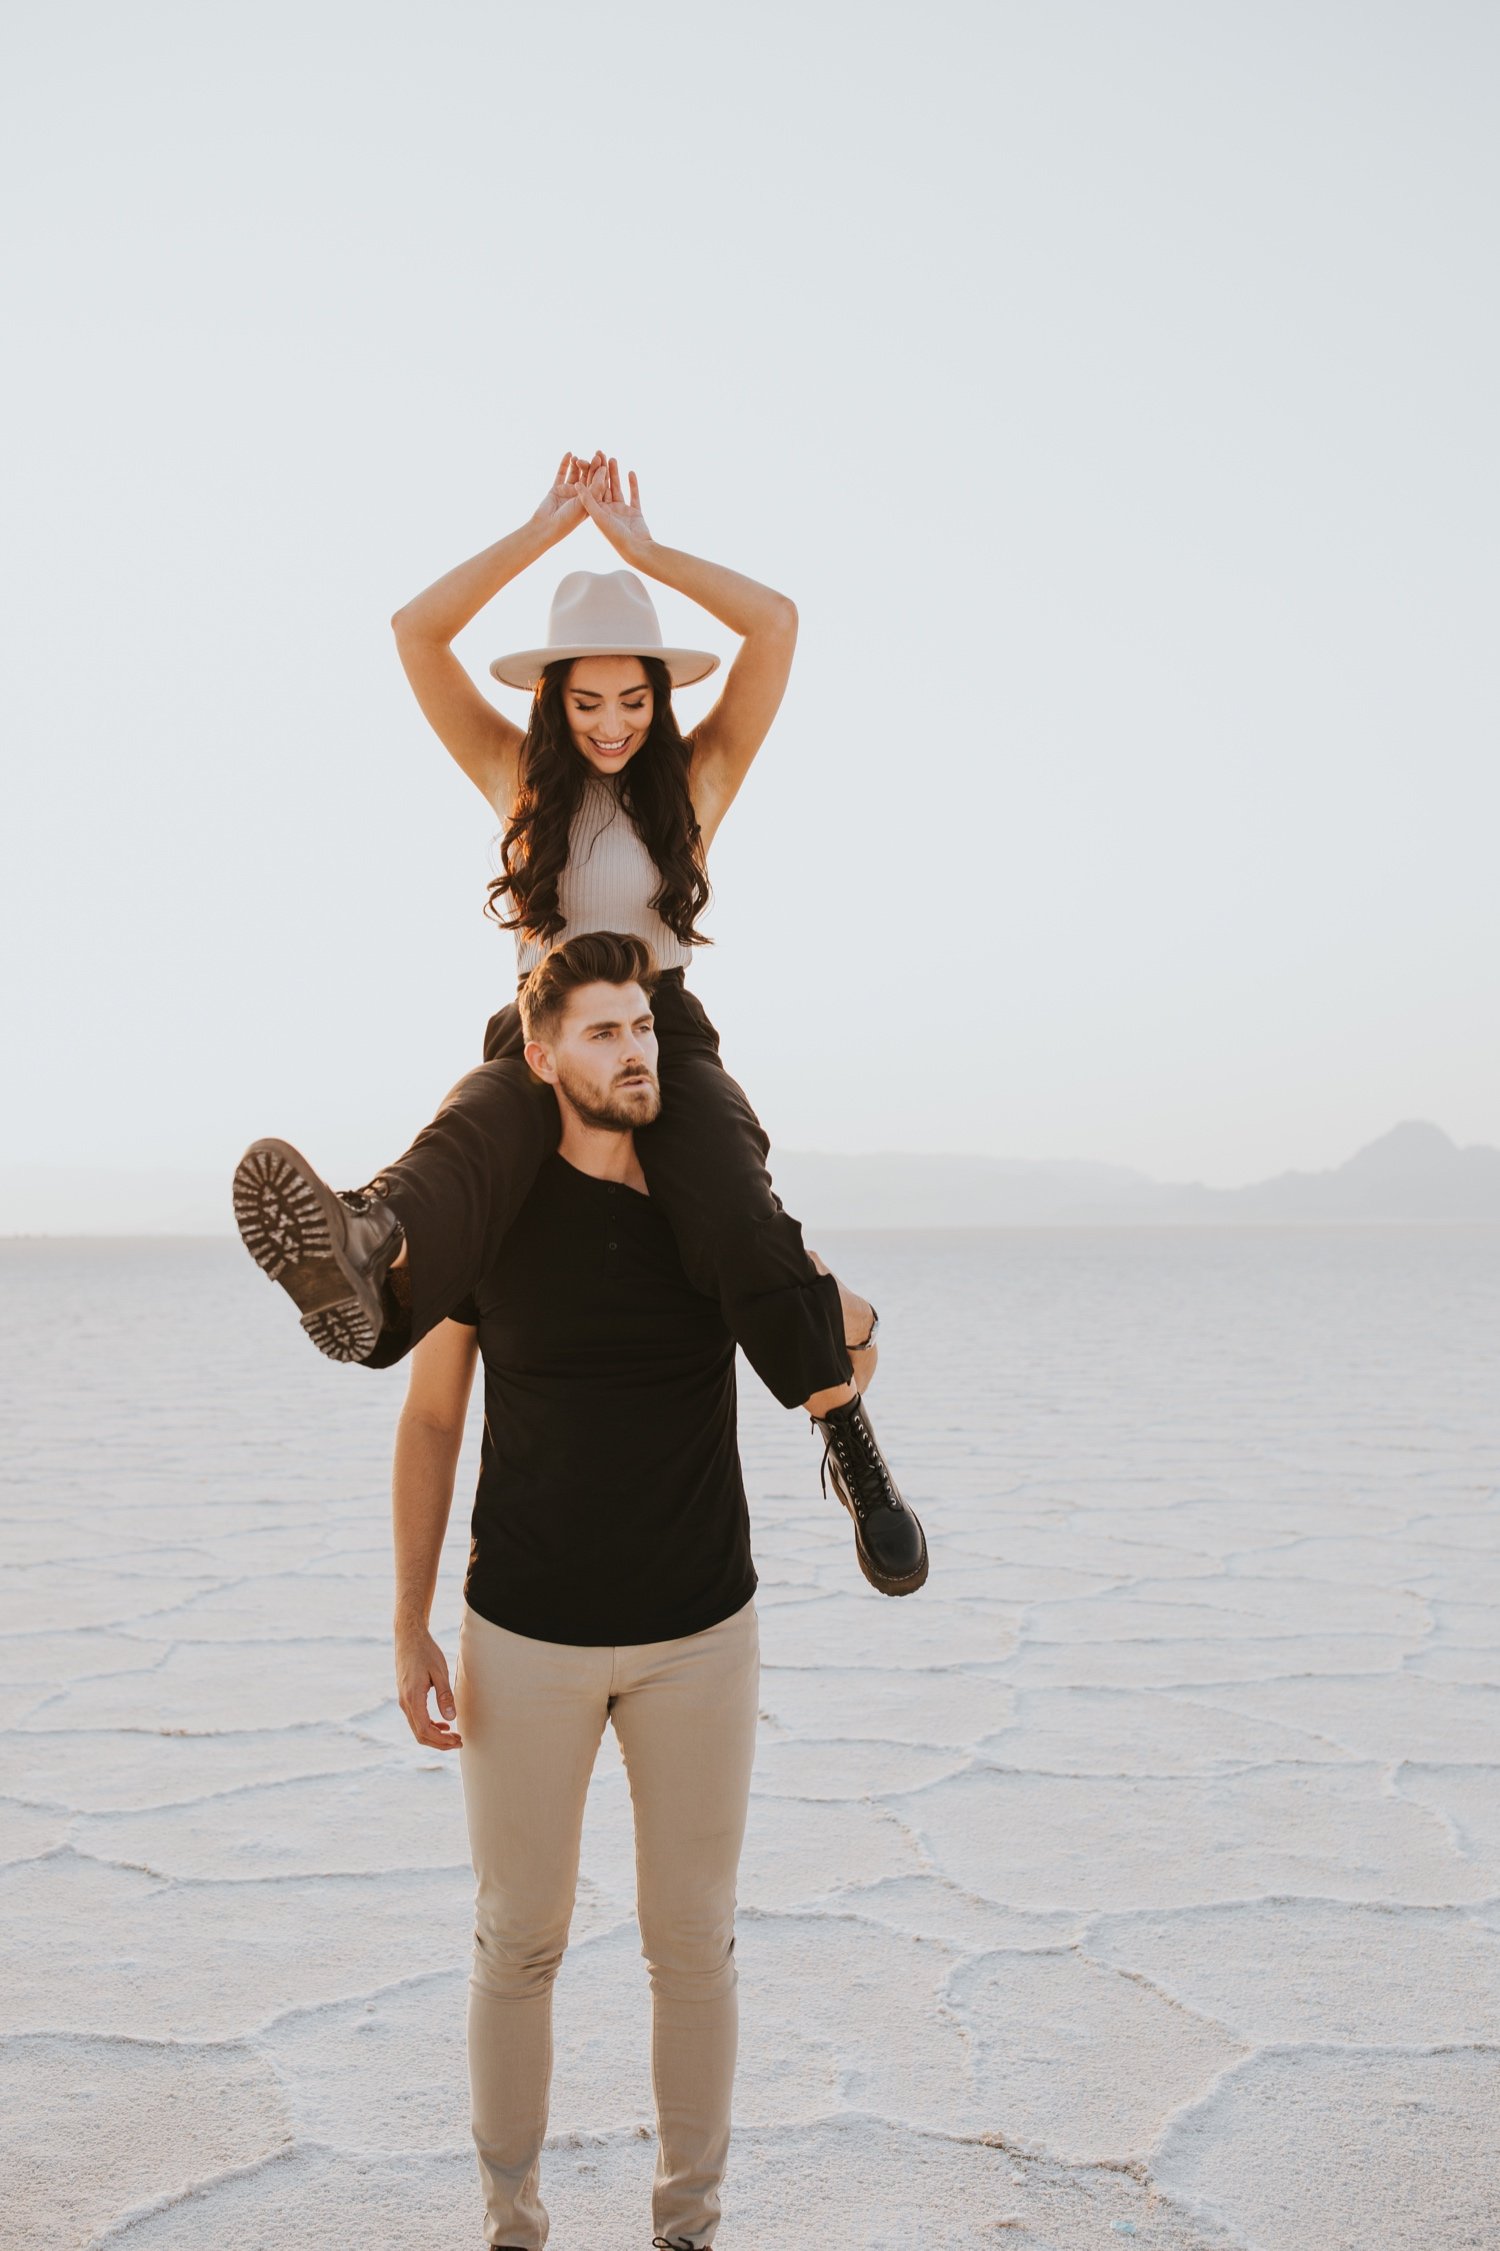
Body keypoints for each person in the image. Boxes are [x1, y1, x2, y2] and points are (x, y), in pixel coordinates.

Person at [233, 451, 926, 1597]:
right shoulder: (516, 777)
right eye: (586, 699)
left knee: (733, 1205)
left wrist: (643, 552)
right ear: (552, 697)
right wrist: (544, 530)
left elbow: (780, 622)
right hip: (542, 1026)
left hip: (662, 1023)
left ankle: (847, 1433)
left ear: (662, 697)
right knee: (468, 1143)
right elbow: (416, 631)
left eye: (634, 698)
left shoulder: (699, 779)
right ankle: (364, 1245)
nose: (611, 724)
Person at [393, 933, 914, 2249]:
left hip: (697, 1634)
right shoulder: (498, 1216)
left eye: (643, 1028)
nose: (632, 1051)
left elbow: (853, 1324)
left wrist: (811, 1293)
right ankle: (512, 2220)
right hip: (525, 1631)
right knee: (518, 1937)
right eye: (603, 1031)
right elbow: (435, 1423)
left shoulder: (705, 1216)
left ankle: (687, 2224)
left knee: (693, 1942)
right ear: (543, 1054)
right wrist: (409, 1620)